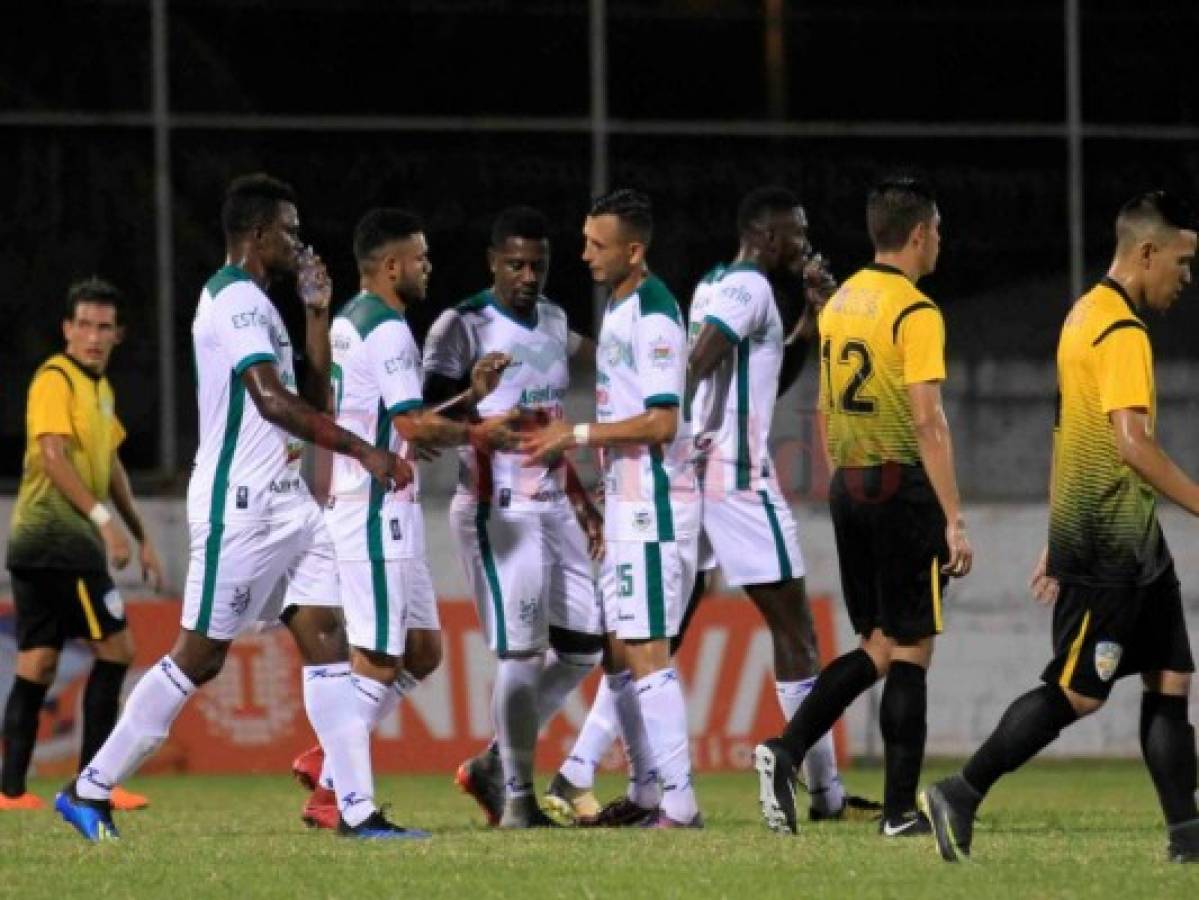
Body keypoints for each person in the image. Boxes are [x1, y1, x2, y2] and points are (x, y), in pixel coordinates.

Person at [55, 173, 417, 843]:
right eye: (290, 230)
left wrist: (315, 312)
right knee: (199, 657)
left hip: (289, 505)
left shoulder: (266, 305)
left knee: (327, 640)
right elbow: (273, 401)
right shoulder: (232, 300)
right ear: (258, 234)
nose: (298, 242)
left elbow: (313, 392)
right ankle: (88, 787)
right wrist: (364, 450)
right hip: (239, 507)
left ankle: (357, 810)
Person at [921, 191, 1199, 864]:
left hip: (1127, 539)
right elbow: (1131, 444)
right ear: (1146, 253)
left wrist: (1052, 531)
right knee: (1077, 691)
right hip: (1109, 543)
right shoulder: (1122, 332)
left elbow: (1065, 433)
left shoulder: (1081, 316)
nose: (1186, 278)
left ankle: (1187, 837)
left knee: (1169, 676)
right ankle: (960, 791)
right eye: (1183, 262)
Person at [754, 175, 972, 837]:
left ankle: (785, 750)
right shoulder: (914, 310)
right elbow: (928, 421)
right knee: (910, 648)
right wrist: (953, 517)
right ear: (915, 235)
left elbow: (823, 406)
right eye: (934, 231)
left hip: (848, 482)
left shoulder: (842, 300)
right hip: (900, 485)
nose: (939, 242)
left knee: (875, 644)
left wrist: (844, 477)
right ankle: (900, 811)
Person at [292, 208, 515, 829]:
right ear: (391, 266)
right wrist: (480, 431)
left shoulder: (354, 321)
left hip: (389, 506)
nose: (427, 266)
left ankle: (330, 758)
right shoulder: (387, 330)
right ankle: (338, 793)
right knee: (379, 658)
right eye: (419, 257)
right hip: (372, 509)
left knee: (423, 650)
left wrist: (468, 396)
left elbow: (393, 412)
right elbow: (411, 427)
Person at [684, 186, 879, 822]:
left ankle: (590, 771)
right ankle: (818, 789)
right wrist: (666, 425)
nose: (805, 240)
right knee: (797, 630)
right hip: (738, 477)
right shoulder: (748, 287)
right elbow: (698, 362)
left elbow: (764, 373)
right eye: (795, 232)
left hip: (705, 471)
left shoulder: (716, 280)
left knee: (669, 625)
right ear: (767, 237)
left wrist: (813, 317)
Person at [524, 188, 703, 828]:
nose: (584, 255)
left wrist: (575, 436)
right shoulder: (622, 309)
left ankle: (680, 806)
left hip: (654, 509)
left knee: (647, 650)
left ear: (635, 249)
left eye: (598, 245)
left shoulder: (654, 313)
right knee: (625, 652)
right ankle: (650, 794)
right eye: (585, 240)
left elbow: (660, 422)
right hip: (628, 505)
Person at [422, 205, 605, 828]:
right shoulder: (461, 324)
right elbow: (423, 424)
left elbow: (569, 400)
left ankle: (494, 763)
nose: (529, 275)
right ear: (492, 262)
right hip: (496, 510)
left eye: (539, 264)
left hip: (554, 508)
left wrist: (585, 506)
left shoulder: (554, 318)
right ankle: (518, 799)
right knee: (522, 656)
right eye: (516, 264)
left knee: (585, 645)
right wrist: (471, 400)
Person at [2, 278, 165, 813]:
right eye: (85, 325)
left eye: (104, 327)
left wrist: (140, 535)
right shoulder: (57, 378)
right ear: (67, 330)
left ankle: (10, 793)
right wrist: (102, 523)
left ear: (118, 335)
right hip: (59, 542)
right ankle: (97, 781)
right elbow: (53, 455)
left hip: (35, 546)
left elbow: (111, 465)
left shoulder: (99, 389)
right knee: (118, 651)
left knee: (37, 662)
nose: (94, 336)